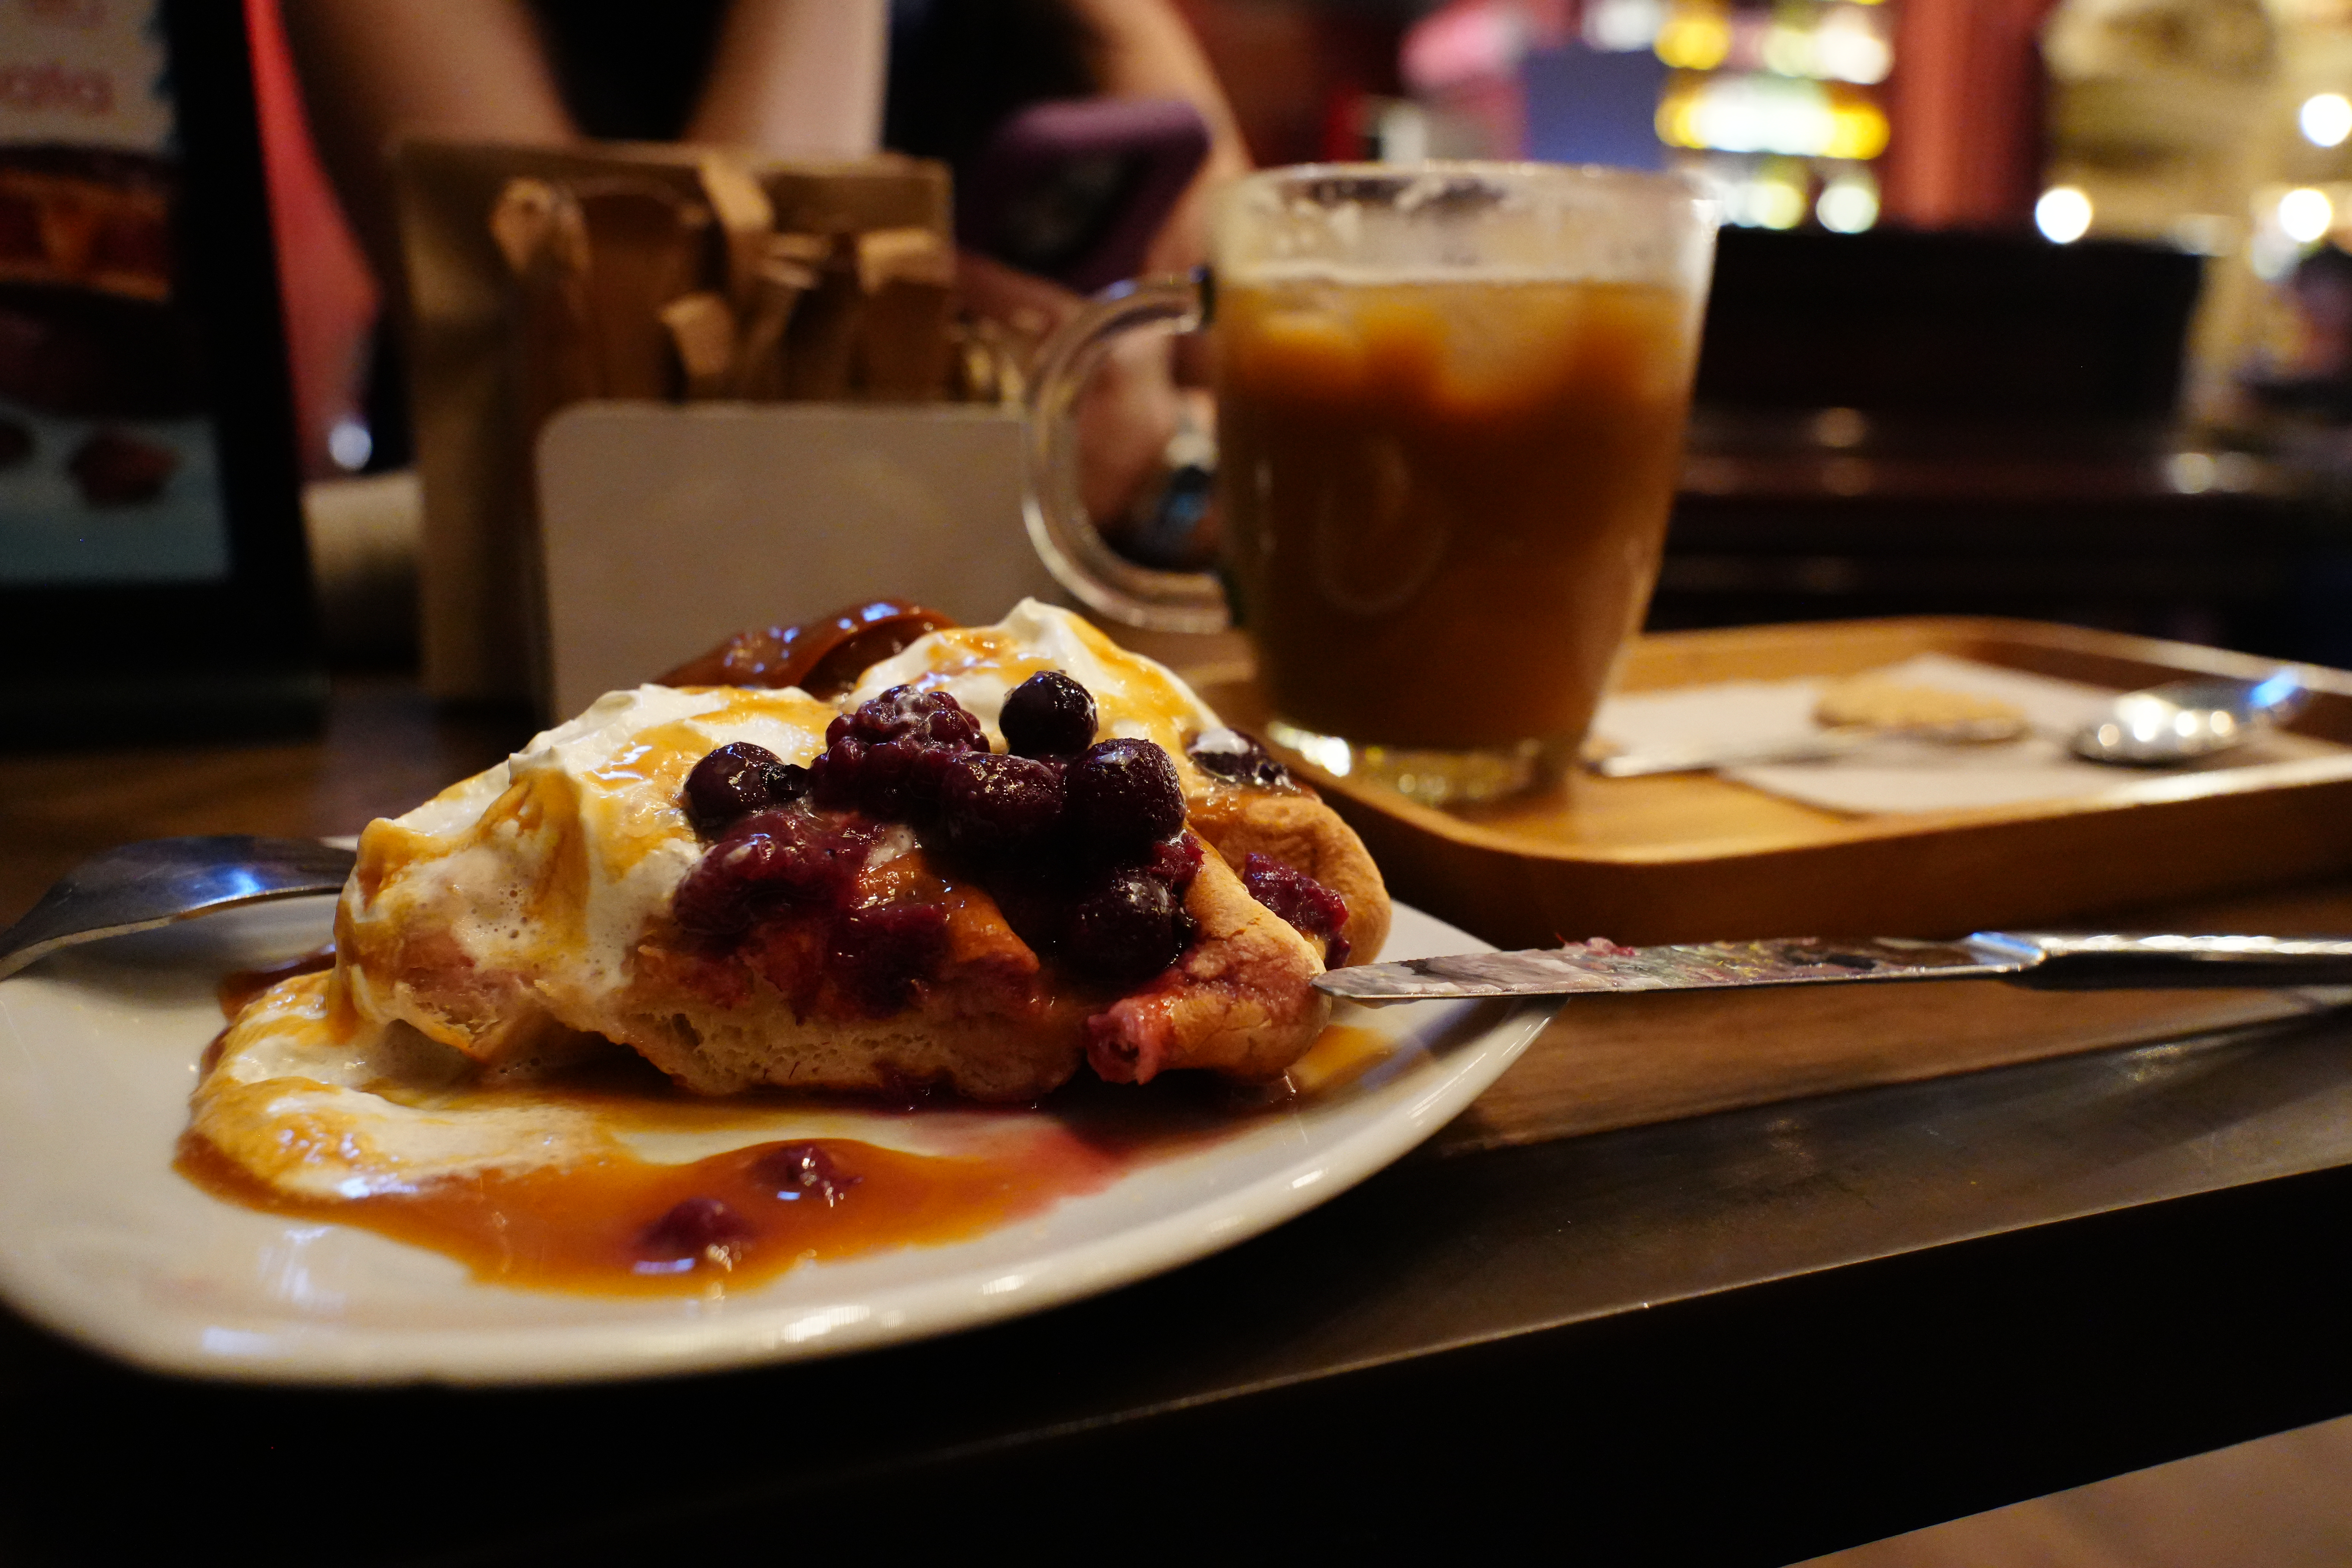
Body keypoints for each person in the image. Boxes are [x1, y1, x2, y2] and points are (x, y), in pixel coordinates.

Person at [281, 0, 1252, 529]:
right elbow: (681, 471)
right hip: (554, 711)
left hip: (984, 676)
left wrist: (1162, 465)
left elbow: (1280, 414)